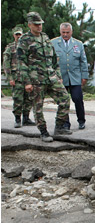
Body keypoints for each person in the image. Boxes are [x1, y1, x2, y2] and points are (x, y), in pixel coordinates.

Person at [17, 12, 72, 142]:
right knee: (38, 107)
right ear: (30, 25)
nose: (39, 27)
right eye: (36, 25)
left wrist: (58, 75)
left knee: (65, 99)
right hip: (36, 80)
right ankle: (43, 132)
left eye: (40, 24)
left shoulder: (45, 37)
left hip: (51, 77)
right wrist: (27, 82)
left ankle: (59, 126)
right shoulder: (24, 40)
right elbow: (21, 62)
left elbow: (54, 59)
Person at [52, 23, 89, 130]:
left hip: (75, 77)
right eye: (63, 32)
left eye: (67, 32)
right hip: (60, 78)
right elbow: (51, 62)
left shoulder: (78, 44)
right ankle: (65, 123)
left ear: (71, 32)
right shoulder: (54, 43)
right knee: (63, 101)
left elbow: (83, 61)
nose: (65, 34)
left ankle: (81, 120)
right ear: (60, 32)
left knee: (77, 98)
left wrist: (84, 76)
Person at [3, 26, 35, 128]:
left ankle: (26, 118)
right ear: (14, 35)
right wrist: (10, 78)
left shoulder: (27, 47)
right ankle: (17, 118)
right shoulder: (10, 48)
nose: (18, 36)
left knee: (28, 99)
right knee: (18, 99)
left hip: (27, 78)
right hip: (16, 78)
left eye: (20, 34)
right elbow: (6, 64)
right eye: (16, 34)